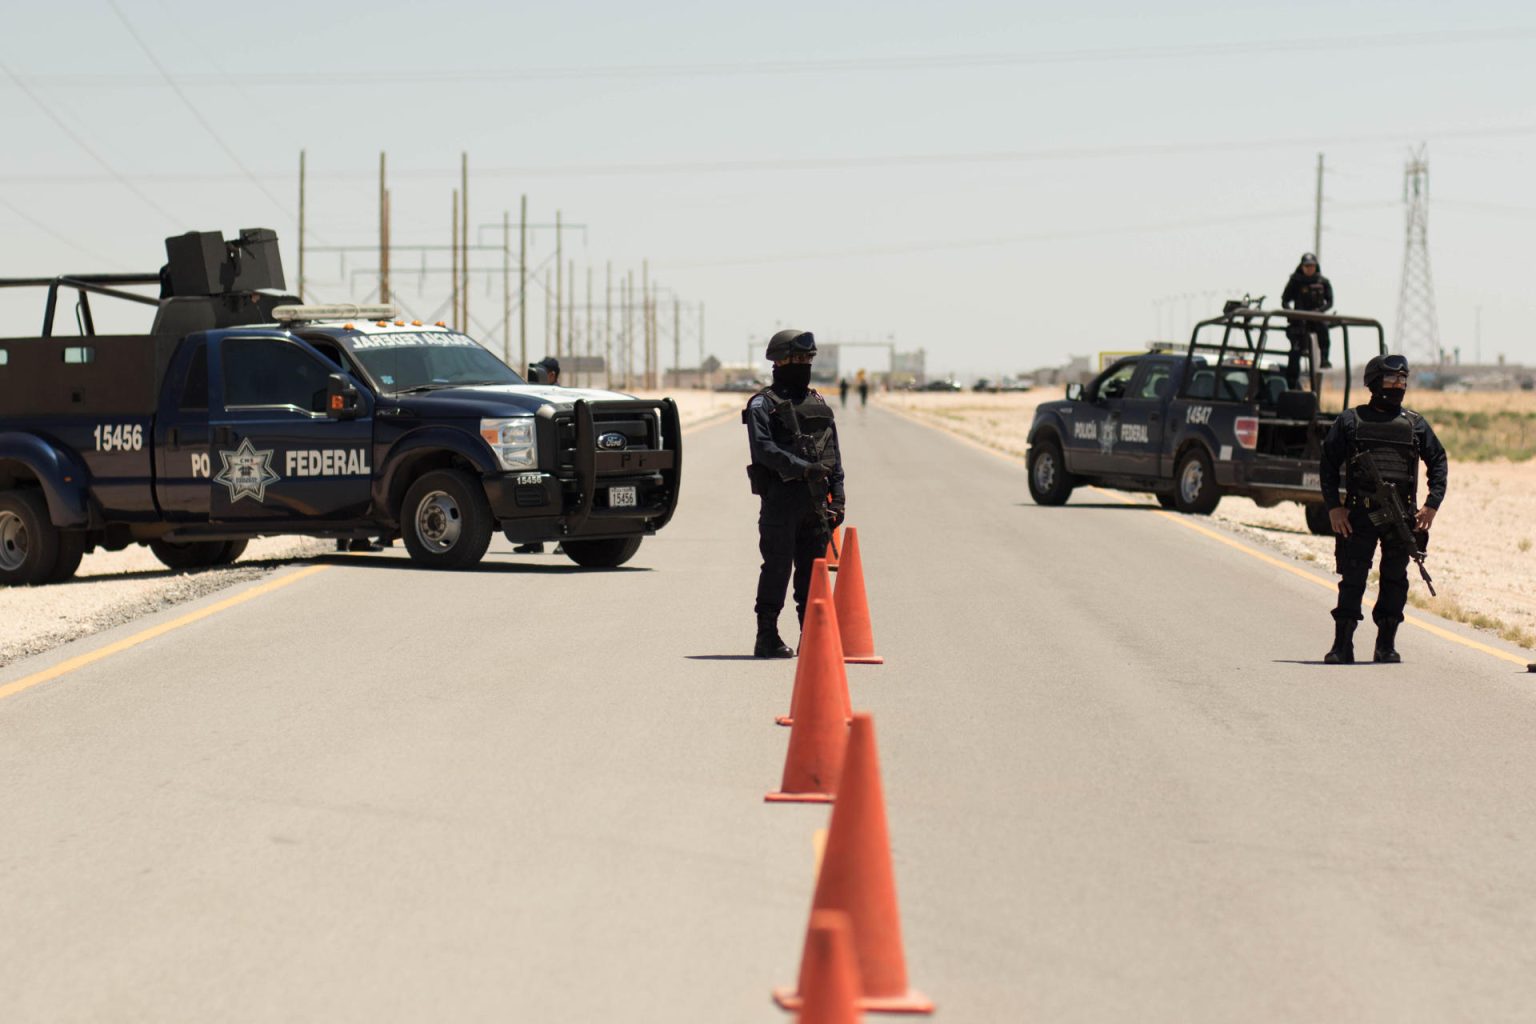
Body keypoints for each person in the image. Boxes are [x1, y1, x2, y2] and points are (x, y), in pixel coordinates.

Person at [1318, 354, 1448, 664]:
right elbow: (1328, 464)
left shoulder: (1414, 424)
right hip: (1358, 515)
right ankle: (1342, 645)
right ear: (1375, 383)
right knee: (1353, 578)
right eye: (1391, 380)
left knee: (1395, 579)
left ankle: (1385, 644)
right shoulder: (1350, 421)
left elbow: (1438, 462)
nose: (1398, 386)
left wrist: (1431, 505)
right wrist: (1334, 508)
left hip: (1401, 516)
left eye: (1402, 381)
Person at [744, 329, 846, 657]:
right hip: (781, 501)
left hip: (816, 503)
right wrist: (801, 468)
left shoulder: (818, 403)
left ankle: (813, 636)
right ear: (779, 362)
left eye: (808, 359)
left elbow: (834, 454)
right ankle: (767, 635)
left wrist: (838, 497)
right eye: (798, 359)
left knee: (813, 573)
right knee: (777, 568)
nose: (804, 364)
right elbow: (763, 450)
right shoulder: (763, 404)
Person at [514, 356, 563, 553]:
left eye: (540, 373)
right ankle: (533, 542)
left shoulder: (559, 395)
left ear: (551, 375)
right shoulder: (538, 393)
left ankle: (564, 543)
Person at [1281, 252, 1335, 386]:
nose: (1309, 268)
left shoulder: (1323, 282)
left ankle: (1324, 358)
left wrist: (1319, 312)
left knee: (1324, 331)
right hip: (1299, 321)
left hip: (1316, 319)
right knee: (1295, 351)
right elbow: (1285, 300)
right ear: (1302, 267)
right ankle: (1292, 384)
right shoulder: (1295, 281)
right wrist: (1293, 313)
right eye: (1306, 266)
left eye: (1312, 266)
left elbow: (1330, 301)